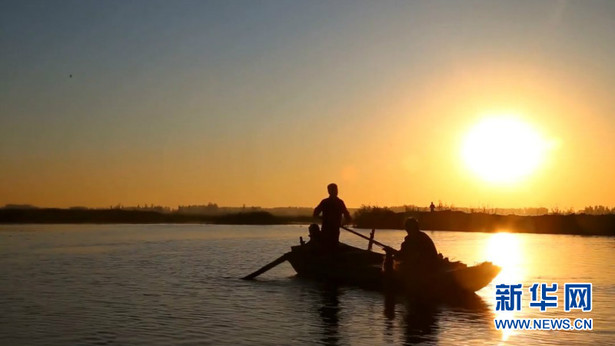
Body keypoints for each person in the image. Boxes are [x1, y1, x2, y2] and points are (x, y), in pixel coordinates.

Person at [313, 183, 352, 248]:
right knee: (332, 246)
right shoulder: (338, 202)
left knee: (328, 247)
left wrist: (324, 218)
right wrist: (342, 223)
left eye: (336, 190)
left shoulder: (327, 202)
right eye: (334, 190)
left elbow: (315, 214)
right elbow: (348, 217)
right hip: (330, 230)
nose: (336, 191)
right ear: (329, 191)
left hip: (330, 230)